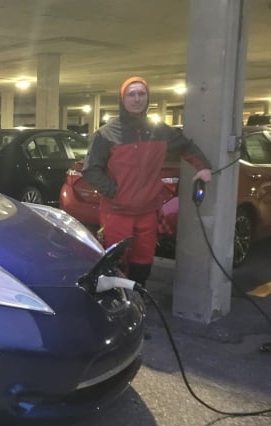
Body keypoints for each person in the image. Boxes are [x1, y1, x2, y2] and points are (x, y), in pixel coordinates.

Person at [82, 76, 212, 287]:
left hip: (147, 211)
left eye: (141, 94)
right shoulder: (106, 134)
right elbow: (91, 170)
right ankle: (116, 303)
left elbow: (186, 146)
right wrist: (115, 192)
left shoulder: (160, 131)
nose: (136, 99)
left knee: (143, 260)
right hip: (117, 212)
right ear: (122, 99)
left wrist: (203, 167)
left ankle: (139, 296)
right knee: (116, 262)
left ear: (147, 97)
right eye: (131, 94)